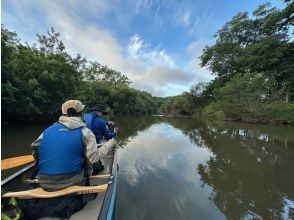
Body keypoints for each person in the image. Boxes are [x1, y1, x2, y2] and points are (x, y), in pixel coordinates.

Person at [31, 100, 115, 191]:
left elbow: (35, 148)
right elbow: (93, 158)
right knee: (93, 162)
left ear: (63, 114)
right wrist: (109, 145)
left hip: (43, 181)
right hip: (74, 181)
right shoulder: (86, 132)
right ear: (81, 113)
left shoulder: (47, 130)